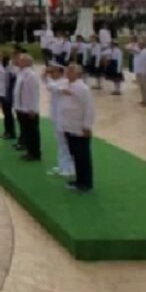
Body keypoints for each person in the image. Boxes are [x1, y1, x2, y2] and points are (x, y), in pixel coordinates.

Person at [57, 65, 95, 193]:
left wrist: (87, 126)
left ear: (78, 74)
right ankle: (79, 180)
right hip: (69, 126)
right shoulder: (67, 85)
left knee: (82, 156)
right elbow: (56, 87)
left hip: (79, 127)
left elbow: (89, 108)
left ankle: (86, 183)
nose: (67, 72)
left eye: (70, 71)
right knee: (75, 155)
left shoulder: (83, 88)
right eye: (67, 70)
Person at [44, 62, 75, 178]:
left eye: (53, 72)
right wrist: (46, 76)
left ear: (60, 72)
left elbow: (52, 86)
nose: (51, 74)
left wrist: (46, 77)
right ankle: (62, 165)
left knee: (65, 143)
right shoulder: (57, 82)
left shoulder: (64, 82)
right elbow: (49, 85)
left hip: (64, 118)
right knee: (60, 142)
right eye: (50, 72)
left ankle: (69, 168)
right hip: (56, 116)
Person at [12, 53, 41, 161]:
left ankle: (35, 153)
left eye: (20, 60)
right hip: (20, 107)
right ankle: (29, 151)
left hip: (29, 108)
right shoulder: (21, 73)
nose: (18, 61)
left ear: (26, 62)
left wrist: (32, 108)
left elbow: (34, 93)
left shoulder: (31, 75)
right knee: (25, 130)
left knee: (32, 131)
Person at [130, 39, 146, 107]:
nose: (139, 45)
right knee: (142, 87)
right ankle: (144, 100)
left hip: (145, 71)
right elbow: (131, 49)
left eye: (140, 44)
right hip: (138, 71)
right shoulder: (139, 52)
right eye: (138, 44)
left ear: (144, 45)